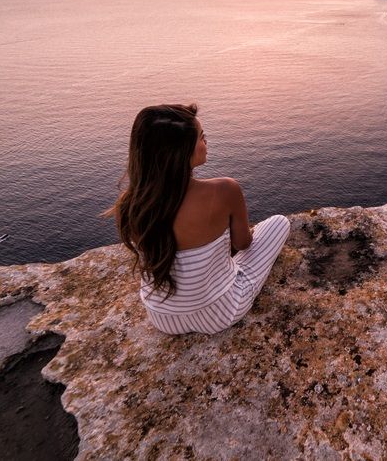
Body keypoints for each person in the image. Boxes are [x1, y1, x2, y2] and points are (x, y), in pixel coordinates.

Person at [105, 103, 290, 334]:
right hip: (220, 313)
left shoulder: (130, 204)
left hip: (162, 318)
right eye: (201, 138)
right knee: (279, 223)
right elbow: (243, 244)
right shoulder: (225, 190)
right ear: (182, 152)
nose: (206, 142)